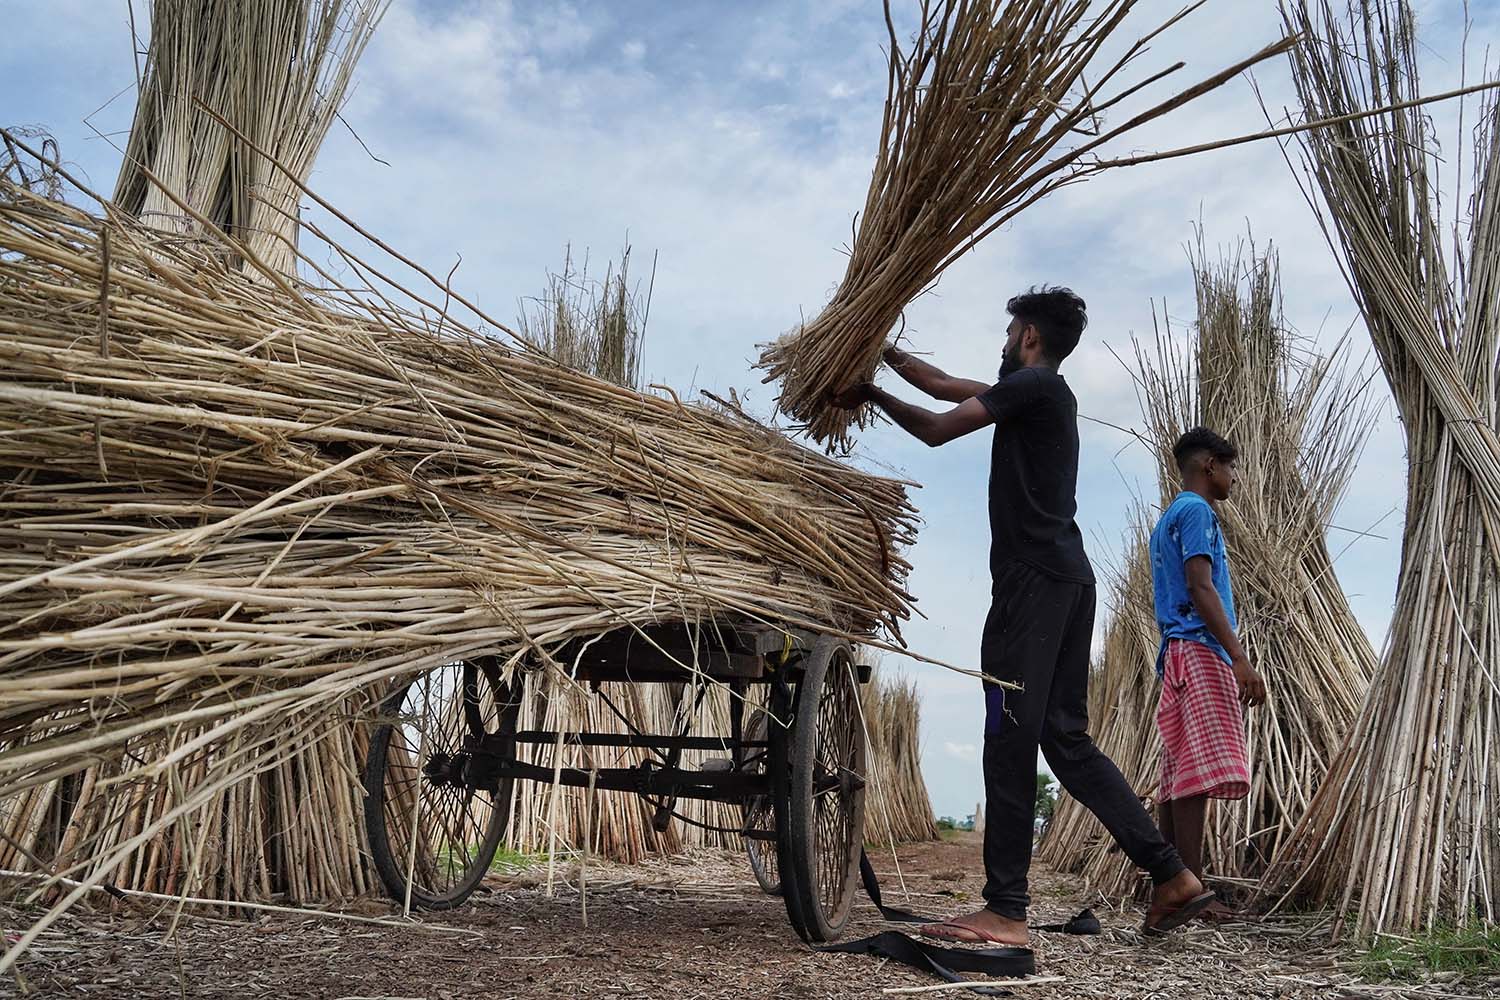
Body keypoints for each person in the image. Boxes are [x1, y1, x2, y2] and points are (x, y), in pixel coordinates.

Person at [831, 287, 1214, 945]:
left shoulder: (1035, 388)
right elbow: (944, 384)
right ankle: (1173, 875)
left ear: (1029, 336)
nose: (1003, 343)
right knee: (1065, 739)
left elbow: (934, 426)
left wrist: (869, 395)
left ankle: (1006, 910)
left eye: (1009, 333)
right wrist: (876, 345)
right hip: (1068, 581)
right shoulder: (1036, 396)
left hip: (1032, 587)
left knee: (1008, 733)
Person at [1148, 427, 1266, 920]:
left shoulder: (1169, 517)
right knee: (1193, 775)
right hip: (1199, 649)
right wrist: (1238, 656)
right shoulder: (1197, 512)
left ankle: (1172, 883)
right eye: (1232, 467)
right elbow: (1202, 586)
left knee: (1177, 775)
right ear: (1210, 466)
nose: (1236, 478)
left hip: (1177, 650)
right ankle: (1191, 893)